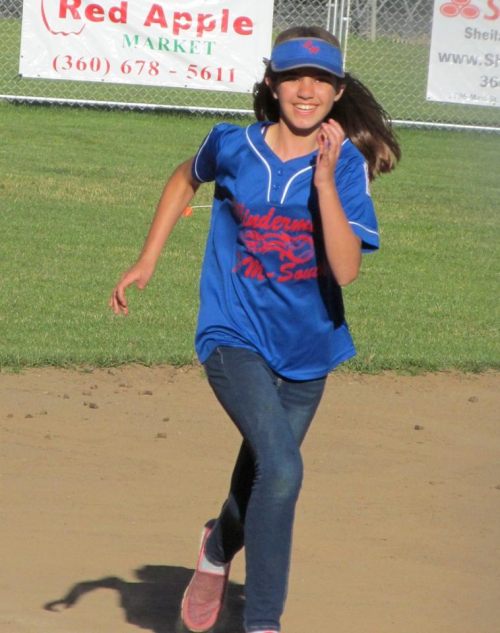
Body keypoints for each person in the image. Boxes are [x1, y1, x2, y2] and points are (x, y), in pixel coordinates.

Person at [109, 24, 400, 633]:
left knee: (266, 474)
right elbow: (184, 178)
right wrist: (147, 258)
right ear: (272, 83)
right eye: (293, 77)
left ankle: (216, 548)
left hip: (309, 348)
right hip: (232, 333)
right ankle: (263, 623)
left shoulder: (346, 166)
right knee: (284, 470)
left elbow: (346, 271)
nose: (306, 90)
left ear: (338, 91)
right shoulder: (232, 145)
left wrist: (325, 181)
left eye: (320, 80)